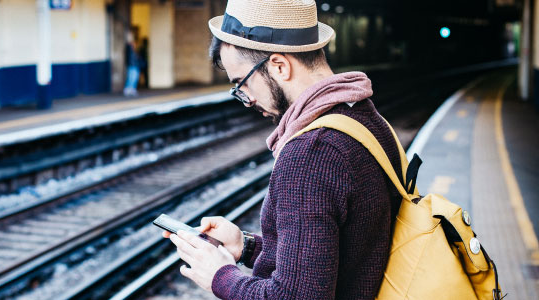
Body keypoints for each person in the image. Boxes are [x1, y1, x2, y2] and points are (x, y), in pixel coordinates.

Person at [163, 1, 404, 299]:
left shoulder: (311, 153)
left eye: (242, 83)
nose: (247, 99)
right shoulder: (365, 118)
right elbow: (336, 258)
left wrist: (220, 276)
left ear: (279, 65)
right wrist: (246, 246)